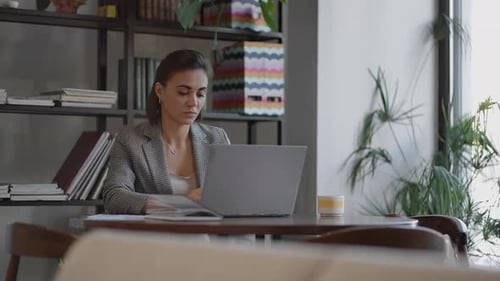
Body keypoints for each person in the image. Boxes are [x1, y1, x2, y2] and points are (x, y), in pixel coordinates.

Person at [103, 49, 230, 214]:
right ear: (159, 91)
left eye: (200, 94)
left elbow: (231, 197)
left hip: (206, 237)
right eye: (183, 92)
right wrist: (184, 202)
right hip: (157, 237)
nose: (193, 103)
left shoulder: (217, 138)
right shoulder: (130, 139)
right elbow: (114, 196)